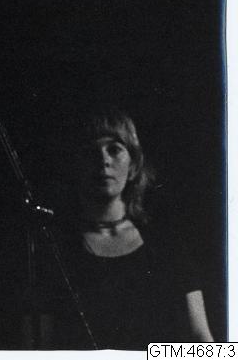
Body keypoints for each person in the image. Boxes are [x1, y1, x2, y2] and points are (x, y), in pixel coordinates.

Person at [25, 107, 214, 350]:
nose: (103, 160)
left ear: (133, 166)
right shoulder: (53, 251)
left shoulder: (167, 246)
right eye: (90, 152)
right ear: (76, 166)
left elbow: (203, 341)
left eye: (114, 149)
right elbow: (36, 349)